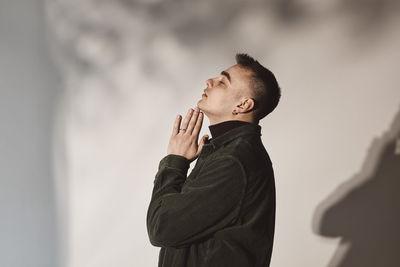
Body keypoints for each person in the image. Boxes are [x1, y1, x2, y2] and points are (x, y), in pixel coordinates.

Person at [146, 53, 281, 267]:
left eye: (222, 82)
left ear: (243, 104)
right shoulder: (227, 151)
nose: (210, 81)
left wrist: (175, 162)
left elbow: (161, 228)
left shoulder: (235, 161)